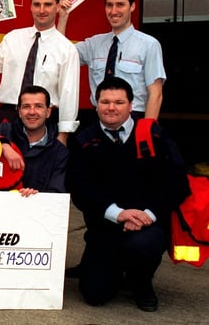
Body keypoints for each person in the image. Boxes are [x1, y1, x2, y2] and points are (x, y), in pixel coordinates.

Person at [66, 77, 189, 312]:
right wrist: (118, 214)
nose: (111, 107)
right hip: (106, 227)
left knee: (145, 244)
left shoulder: (154, 135)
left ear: (131, 106)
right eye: (105, 101)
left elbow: (177, 182)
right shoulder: (83, 139)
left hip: (147, 226)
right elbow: (79, 188)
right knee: (95, 294)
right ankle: (113, 268)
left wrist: (149, 215)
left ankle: (141, 283)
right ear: (96, 104)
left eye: (119, 102)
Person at [0, 0, 80, 146]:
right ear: (31, 7)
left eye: (48, 4)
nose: (42, 10)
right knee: (2, 170)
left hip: (43, 120)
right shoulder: (13, 38)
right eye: (37, 4)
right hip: (7, 118)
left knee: (39, 171)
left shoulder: (67, 49)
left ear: (57, 7)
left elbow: (69, 94)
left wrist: (63, 136)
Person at [58, 0, 166, 124]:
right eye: (109, 5)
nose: (114, 11)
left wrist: (147, 130)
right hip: (98, 121)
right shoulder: (94, 44)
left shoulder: (149, 45)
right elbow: (60, 55)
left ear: (132, 6)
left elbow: (156, 94)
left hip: (133, 119)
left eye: (120, 5)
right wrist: (63, 17)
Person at [0, 85, 68, 196]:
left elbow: (57, 191)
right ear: (19, 111)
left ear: (48, 112)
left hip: (38, 210)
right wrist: (2, 144)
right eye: (26, 106)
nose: (32, 112)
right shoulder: (6, 130)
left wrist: (36, 195)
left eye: (38, 106)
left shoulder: (59, 151)